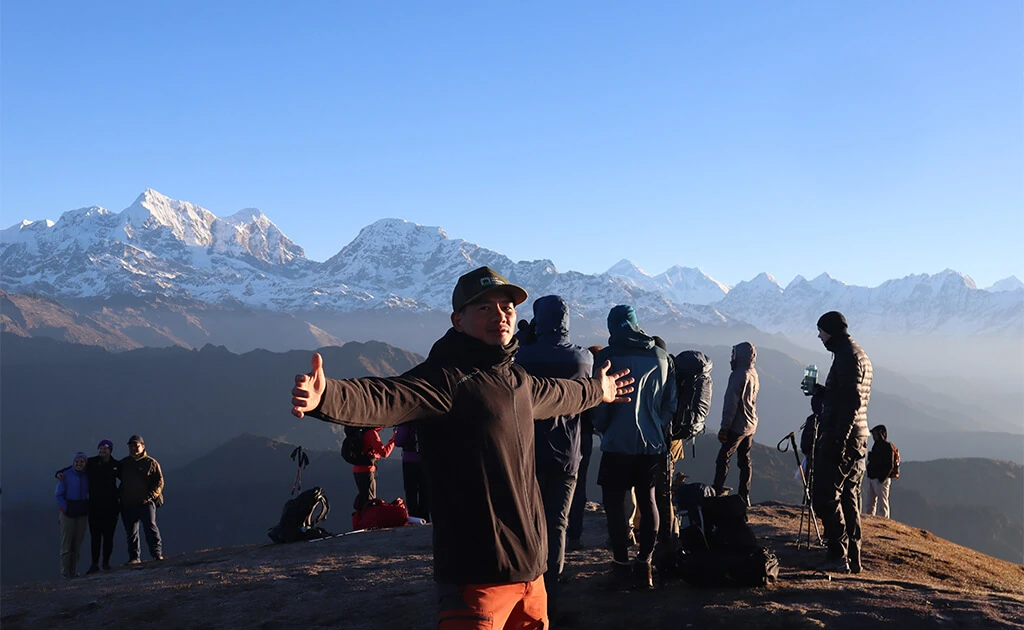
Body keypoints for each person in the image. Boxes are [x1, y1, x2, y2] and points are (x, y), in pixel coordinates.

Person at [290, 265, 634, 629]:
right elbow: (389, 395)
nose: (499, 315)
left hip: (532, 577)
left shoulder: (517, 379)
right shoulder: (446, 379)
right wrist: (327, 396)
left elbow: (561, 394)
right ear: (458, 320)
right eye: (484, 308)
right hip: (476, 581)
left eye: (506, 307)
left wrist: (600, 390)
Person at [515, 295, 594, 620]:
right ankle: (552, 592)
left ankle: (525, 590)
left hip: (527, 455)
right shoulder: (582, 359)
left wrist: (524, 339)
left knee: (527, 523)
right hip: (567, 454)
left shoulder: (524, 357)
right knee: (557, 524)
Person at [592, 306, 677, 590]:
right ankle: (645, 565)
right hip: (652, 444)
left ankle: (620, 565)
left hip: (617, 443)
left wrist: (603, 427)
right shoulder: (662, 357)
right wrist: (655, 423)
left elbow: (599, 403)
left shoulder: (607, 357)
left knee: (615, 505)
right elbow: (670, 404)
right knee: (648, 499)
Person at [811, 311, 872, 574]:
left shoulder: (847, 357)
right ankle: (853, 556)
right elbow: (850, 397)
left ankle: (838, 553)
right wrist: (822, 393)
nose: (819, 336)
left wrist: (837, 439)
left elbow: (851, 403)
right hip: (859, 436)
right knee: (849, 497)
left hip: (844, 437)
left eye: (821, 331)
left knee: (825, 495)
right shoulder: (858, 354)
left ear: (831, 332)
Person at [56, 439, 121, 573]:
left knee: (108, 536)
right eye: (100, 448)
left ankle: (105, 562)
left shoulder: (116, 465)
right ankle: (94, 564)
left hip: (111, 506)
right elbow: (74, 466)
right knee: (95, 536)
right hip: (94, 507)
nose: (102, 451)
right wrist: (59, 472)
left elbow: (125, 479)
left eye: (105, 449)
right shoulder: (91, 463)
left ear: (110, 450)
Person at [712, 342, 760, 506]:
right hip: (750, 423)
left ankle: (717, 492)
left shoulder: (738, 374)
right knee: (745, 460)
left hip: (737, 425)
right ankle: (744, 495)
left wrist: (725, 427)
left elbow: (730, 403)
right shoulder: (753, 373)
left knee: (723, 457)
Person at [566, 346, 603, 552]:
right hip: (585, 436)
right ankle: (574, 535)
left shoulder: (576, 378)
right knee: (578, 485)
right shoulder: (595, 384)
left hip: (559, 434)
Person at [119, 434, 164, 564]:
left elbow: (159, 481)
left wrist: (152, 495)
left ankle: (156, 553)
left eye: (136, 446)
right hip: (128, 503)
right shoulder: (124, 463)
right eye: (131, 446)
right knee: (131, 532)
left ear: (143, 446)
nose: (133, 448)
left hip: (146, 502)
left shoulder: (151, 463)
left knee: (150, 527)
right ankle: (134, 558)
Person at [55, 452, 90, 578]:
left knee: (77, 544)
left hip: (81, 513)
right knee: (66, 544)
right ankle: (65, 572)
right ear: (73, 462)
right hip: (67, 514)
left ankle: (73, 572)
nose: (79, 464)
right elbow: (58, 495)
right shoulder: (66, 476)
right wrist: (66, 509)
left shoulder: (87, 475)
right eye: (77, 461)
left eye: (82, 461)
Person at [353, 427, 395, 511]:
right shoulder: (371, 433)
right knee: (370, 501)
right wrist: (394, 439)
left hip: (357, 469)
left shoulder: (361, 431)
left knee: (364, 500)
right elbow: (384, 453)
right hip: (367, 470)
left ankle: (362, 521)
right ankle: (369, 522)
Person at [394, 423, 429, 521]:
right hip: (425, 460)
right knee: (424, 489)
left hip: (409, 460)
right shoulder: (426, 419)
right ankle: (425, 517)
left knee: (411, 491)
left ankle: (414, 518)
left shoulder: (407, 423)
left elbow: (399, 441)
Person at [864, 425, 896, 519]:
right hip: (873, 478)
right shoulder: (876, 446)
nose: (874, 436)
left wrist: (882, 479)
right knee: (870, 504)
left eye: (875, 434)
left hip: (881, 480)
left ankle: (883, 522)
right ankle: (870, 520)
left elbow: (890, 465)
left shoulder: (888, 447)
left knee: (882, 505)